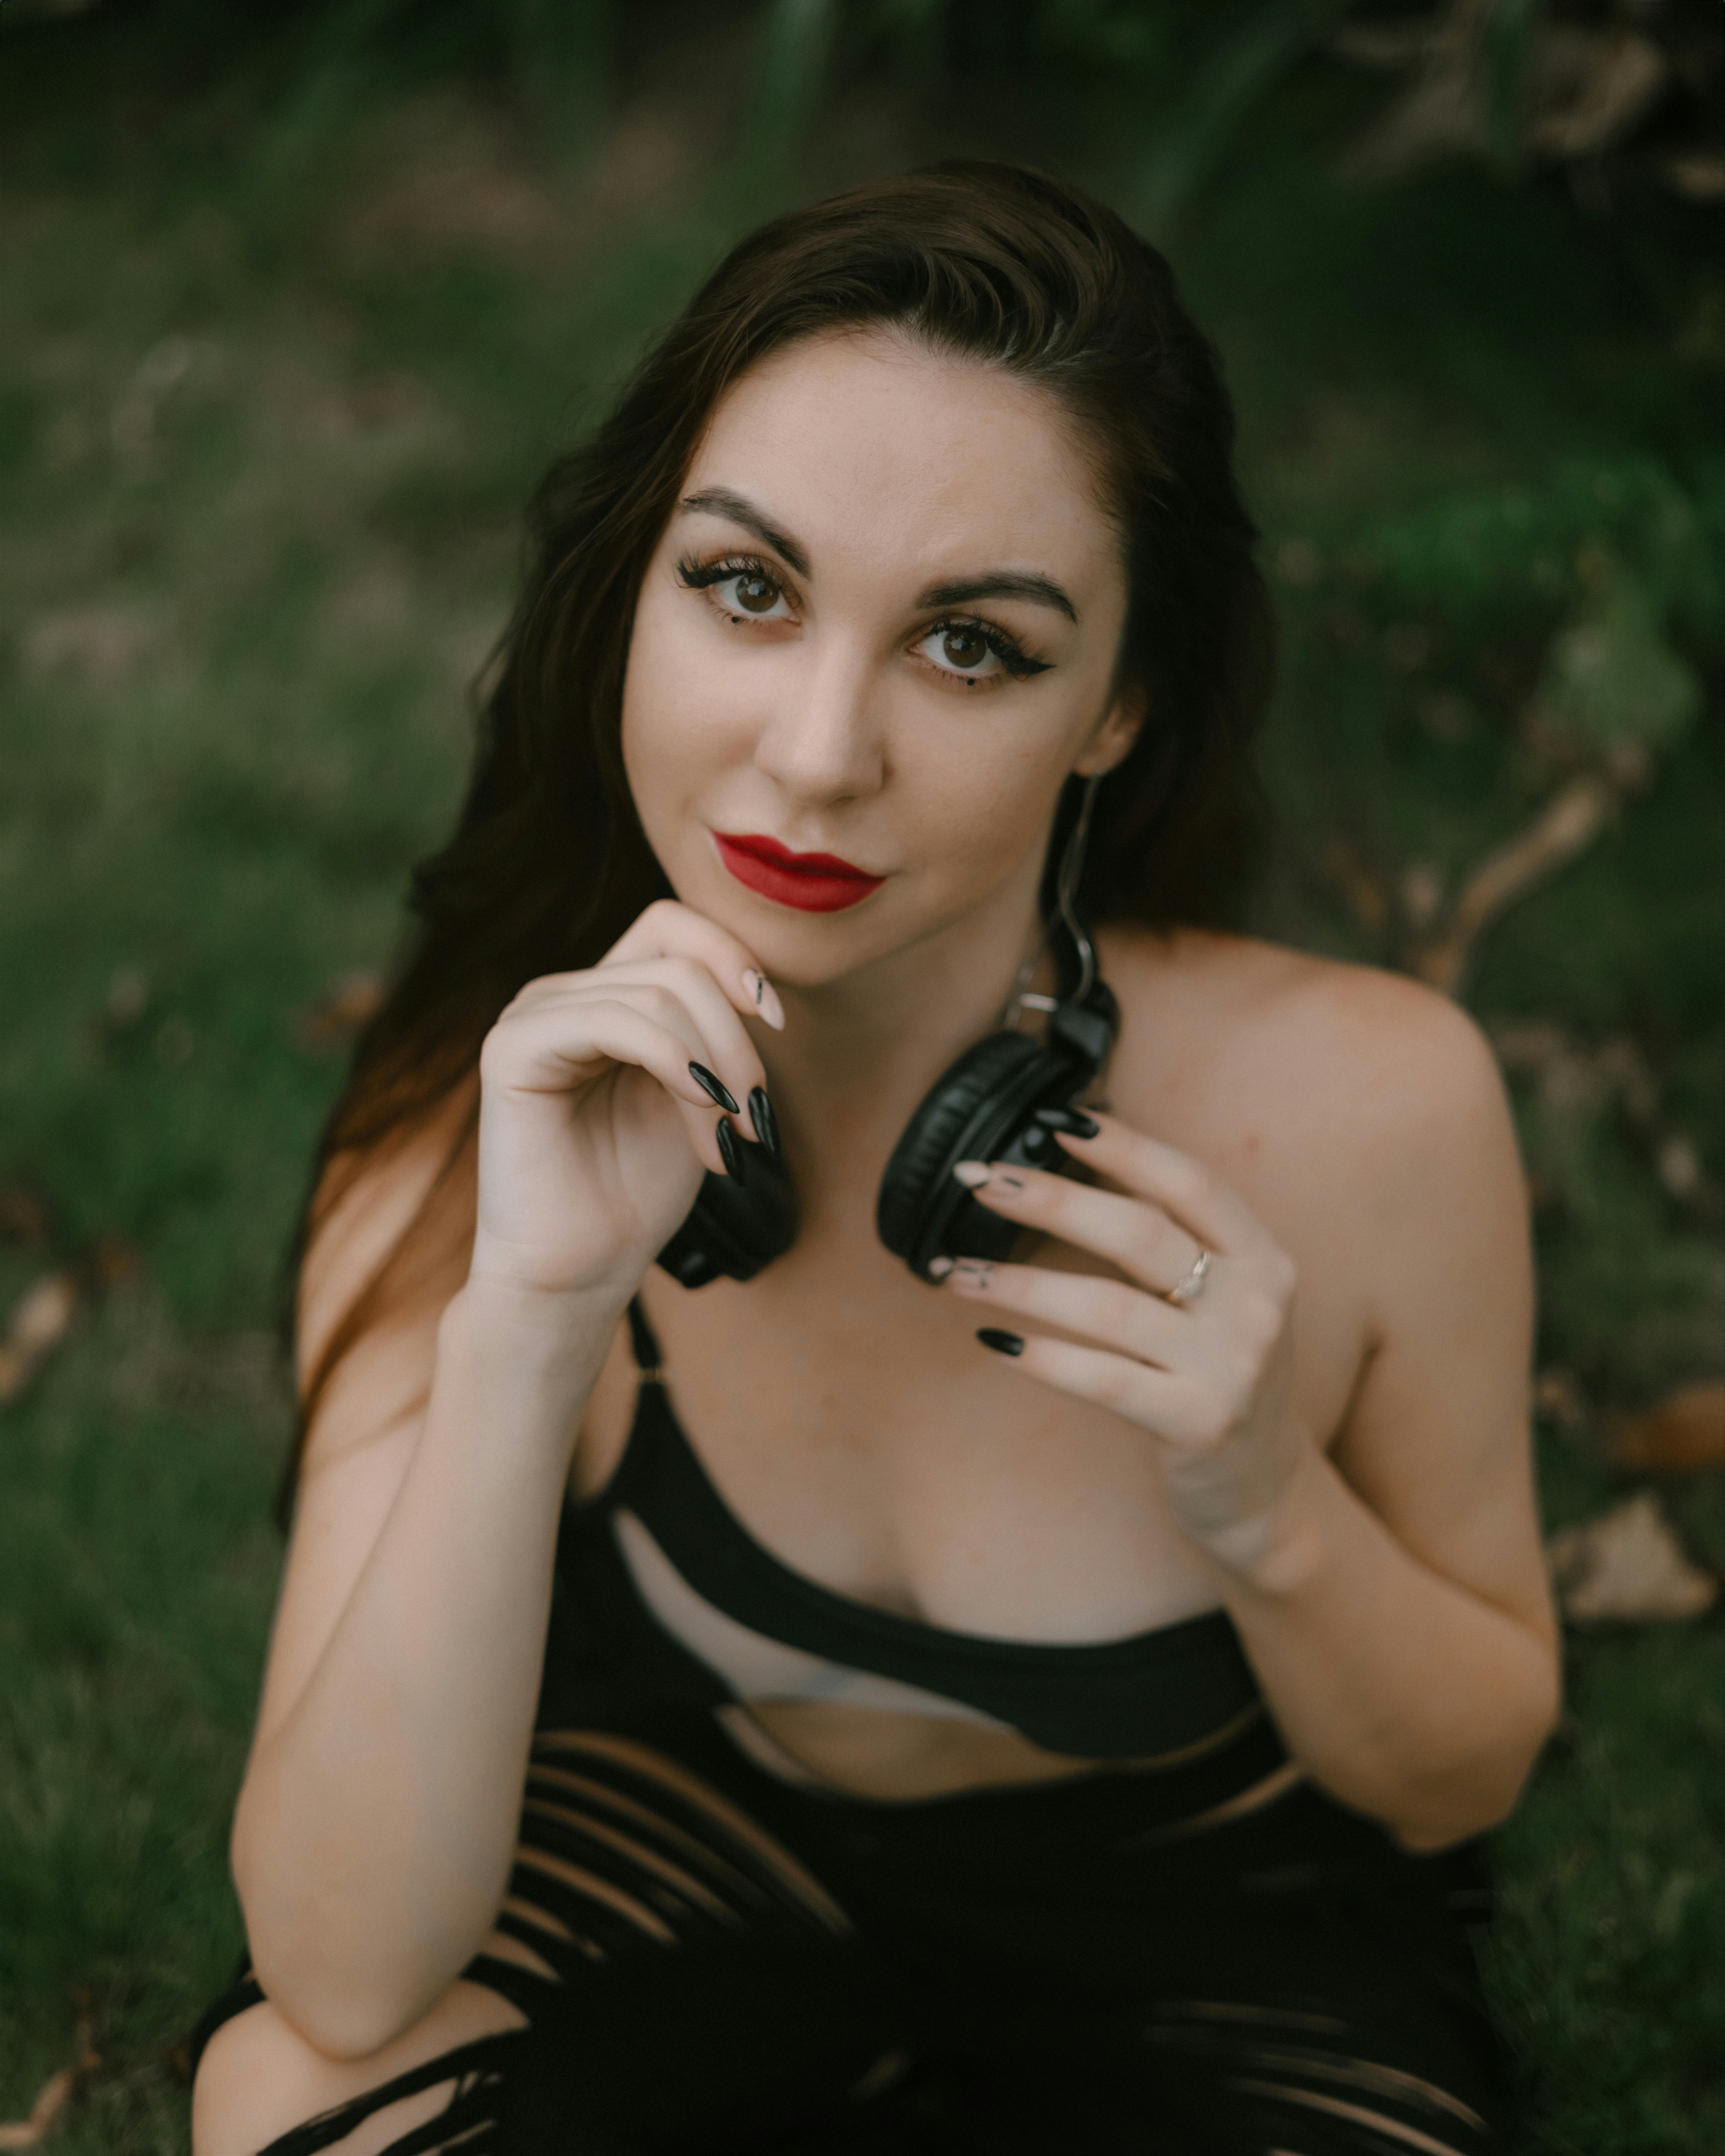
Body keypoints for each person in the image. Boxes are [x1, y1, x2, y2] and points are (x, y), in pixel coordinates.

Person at [187, 162, 1559, 2155]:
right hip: (690, 1827)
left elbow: (1452, 1782)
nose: (819, 751)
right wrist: (532, 1313)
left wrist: (1270, 1503)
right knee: (294, 2097)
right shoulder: (478, 1114)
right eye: (746, 588)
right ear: (632, 591)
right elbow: (340, 1967)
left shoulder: (1375, 1107)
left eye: (972, 645)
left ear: (1118, 707)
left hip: (1223, 1907)